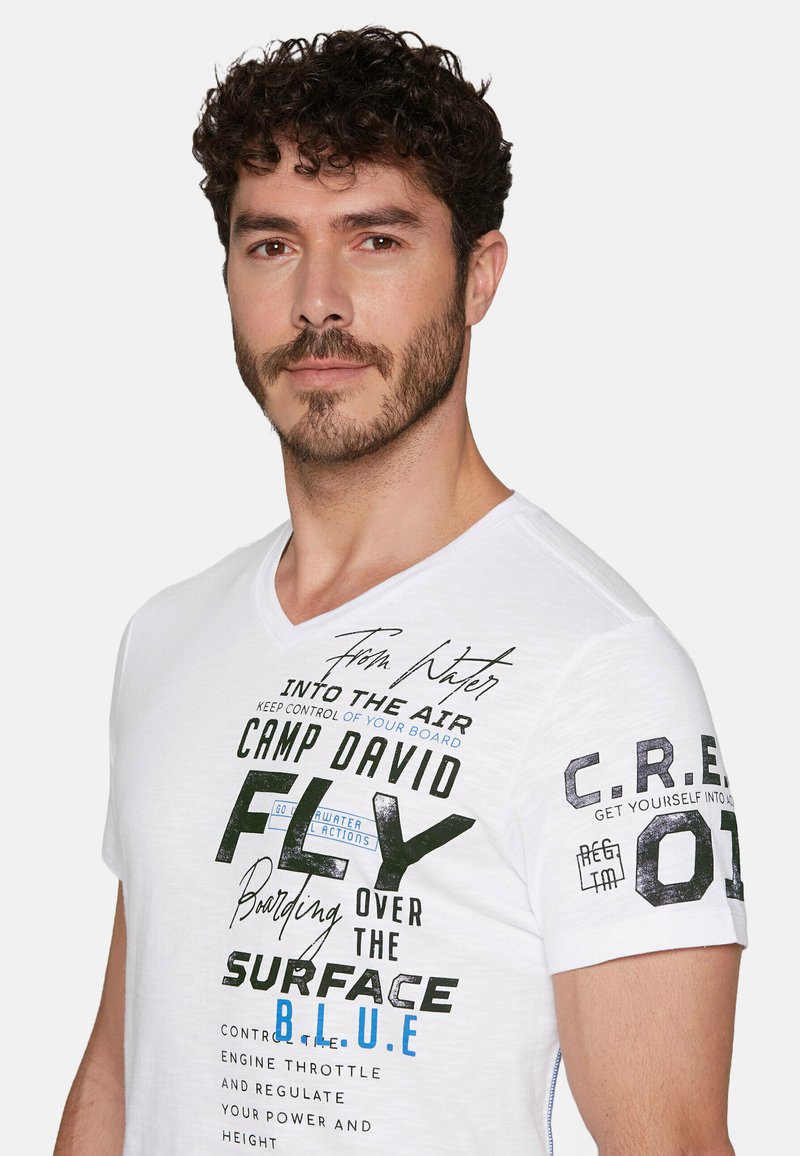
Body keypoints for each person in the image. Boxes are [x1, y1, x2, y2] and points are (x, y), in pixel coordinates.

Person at [55, 27, 747, 1156]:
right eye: (272, 245)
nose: (317, 303)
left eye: (375, 240)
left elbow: (668, 1141)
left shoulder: (601, 672)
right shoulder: (167, 636)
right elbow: (121, 1074)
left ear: (478, 276)